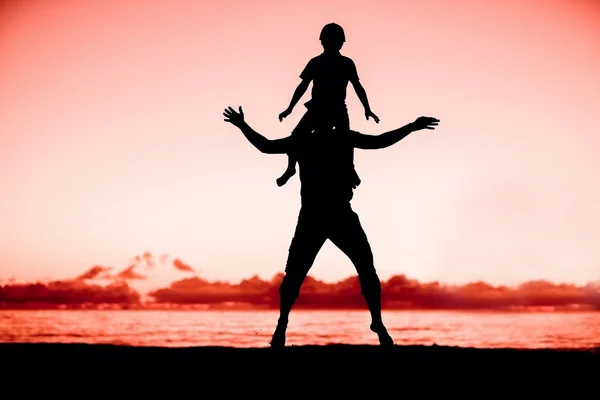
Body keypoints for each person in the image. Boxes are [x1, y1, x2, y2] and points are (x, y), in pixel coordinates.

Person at [223, 105, 440, 347]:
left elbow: (380, 141)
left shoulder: (339, 138)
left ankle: (376, 323)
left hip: (339, 215)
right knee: (295, 275)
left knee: (366, 269)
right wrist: (242, 125)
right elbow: (267, 146)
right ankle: (282, 324)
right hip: (314, 217)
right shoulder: (304, 141)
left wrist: (411, 127)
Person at [276, 23, 380, 188]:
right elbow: (302, 86)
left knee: (344, 139)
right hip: (317, 108)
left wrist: (367, 108)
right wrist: (290, 108)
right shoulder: (316, 62)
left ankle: (350, 169)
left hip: (338, 109)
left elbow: (357, 87)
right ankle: (290, 169)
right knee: (297, 135)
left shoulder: (346, 63)